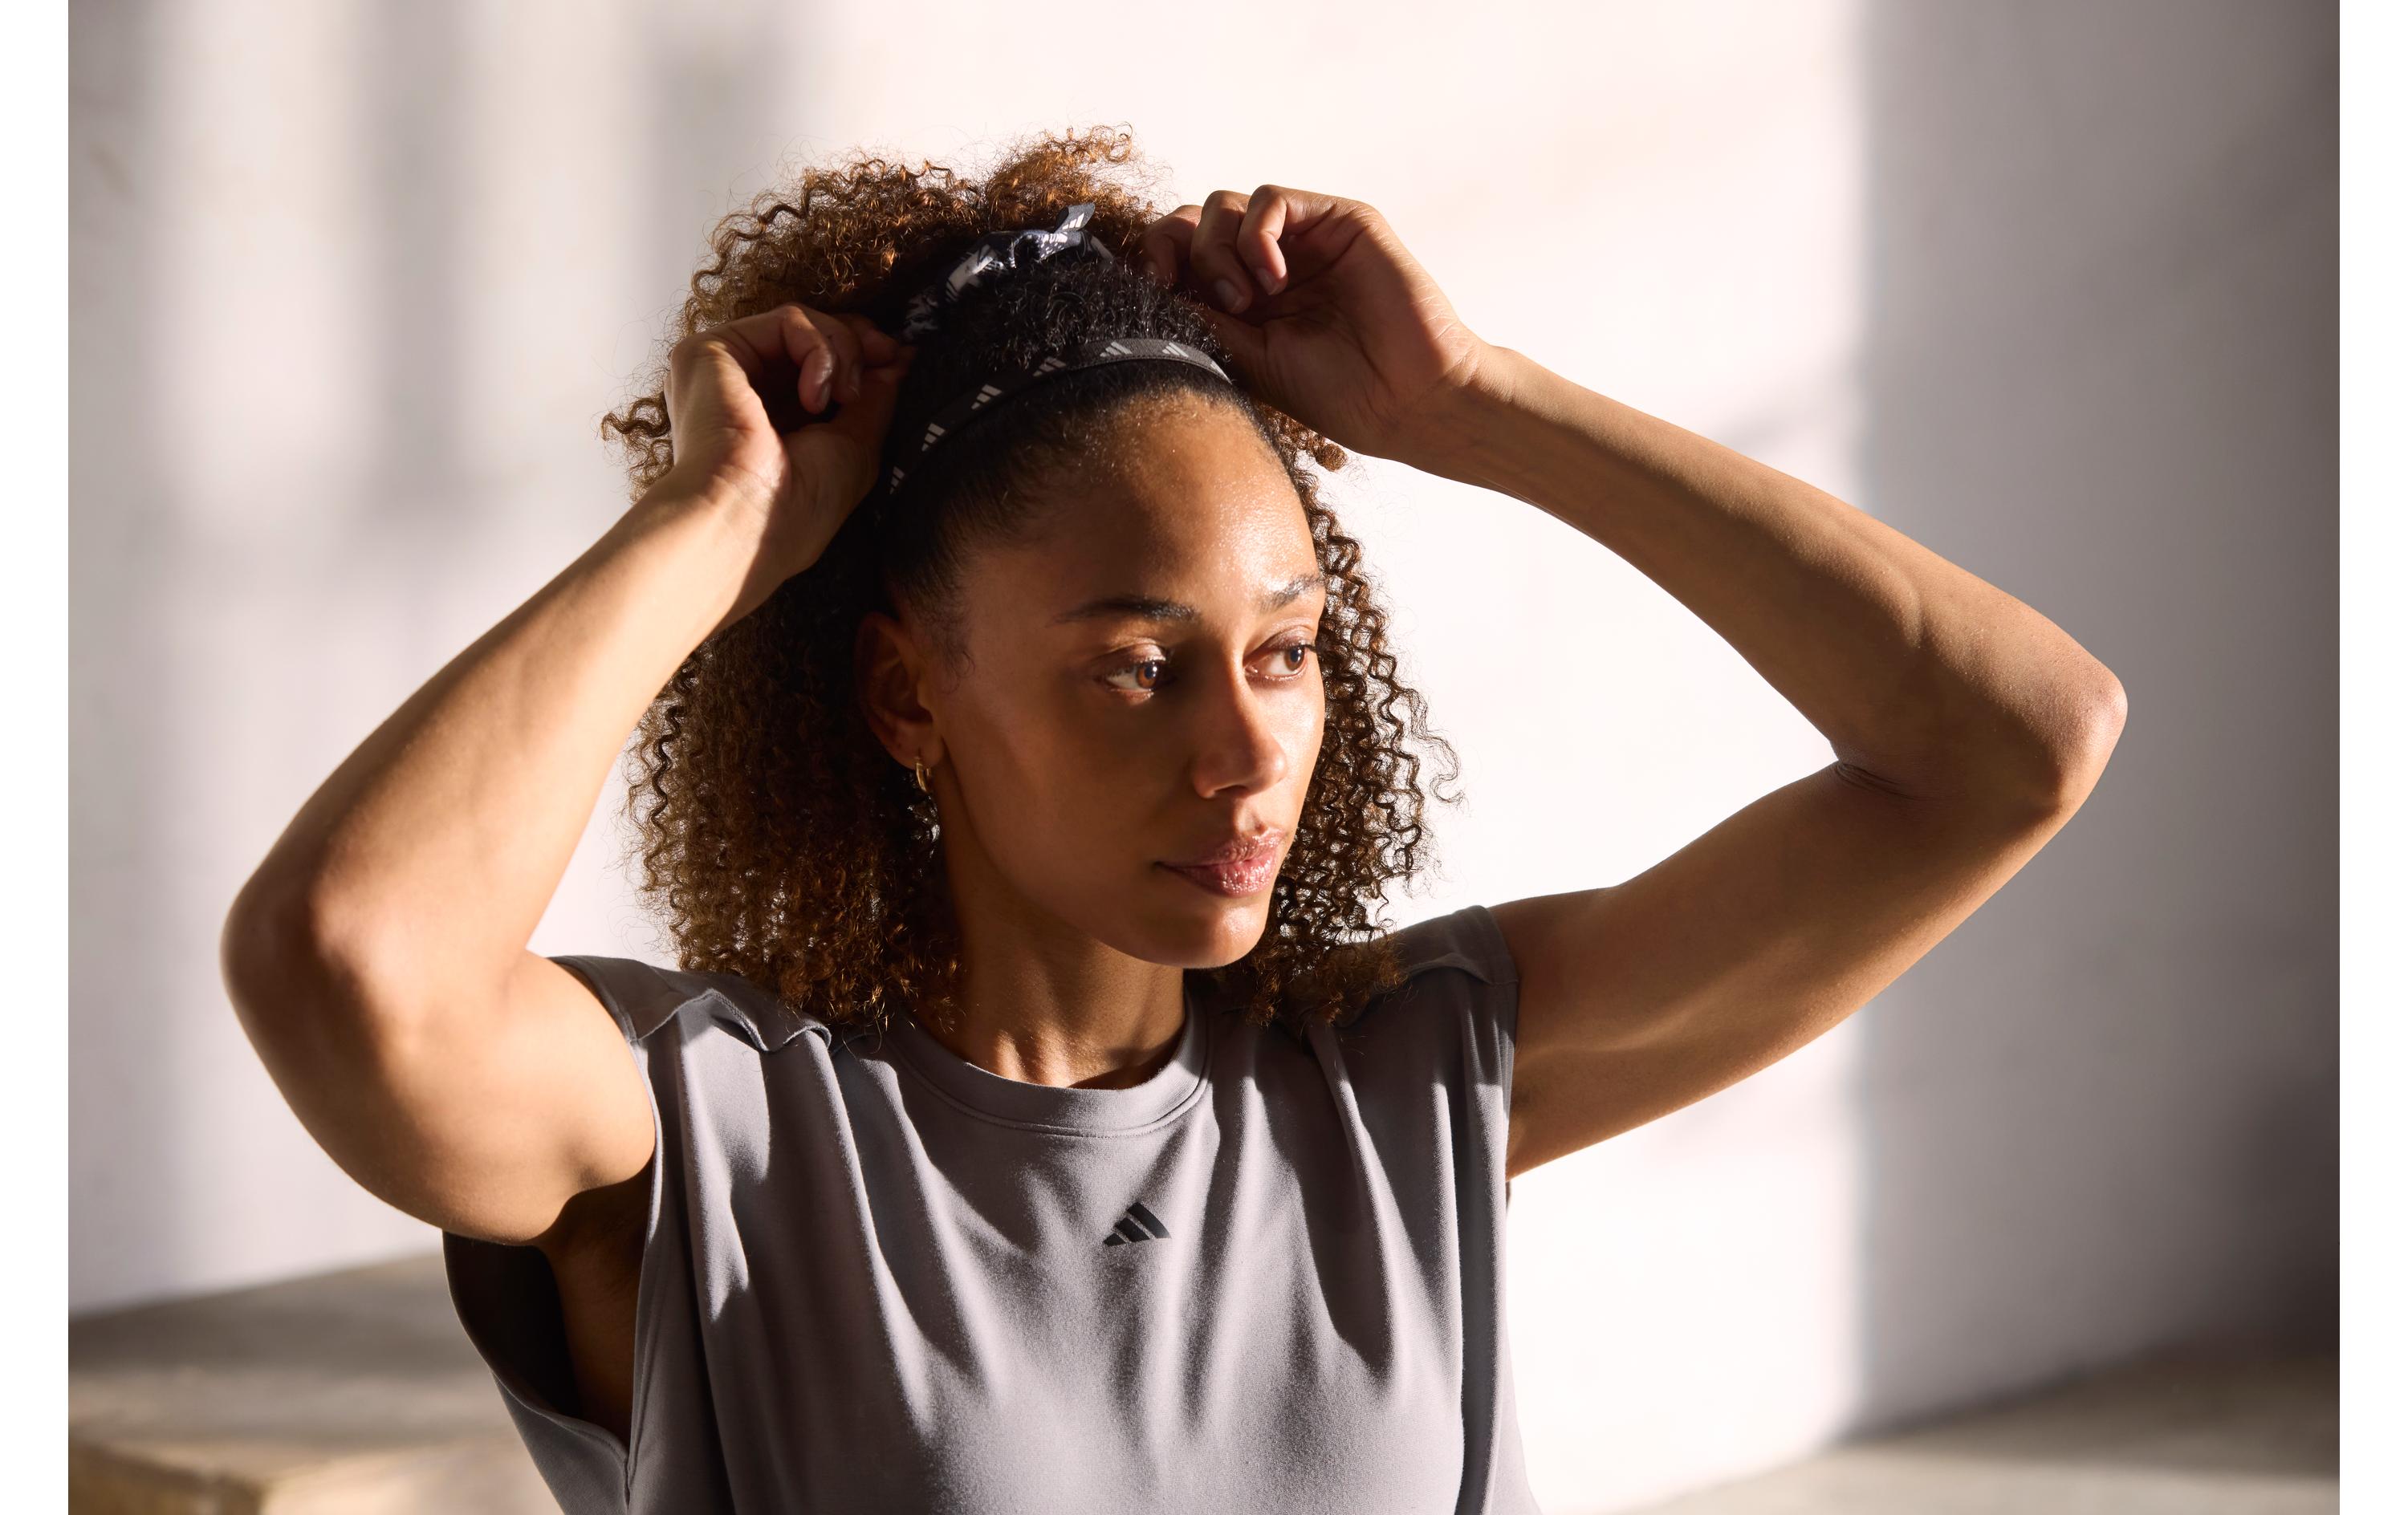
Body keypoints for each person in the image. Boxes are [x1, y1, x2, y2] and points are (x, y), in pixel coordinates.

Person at [221, 125, 2126, 1513]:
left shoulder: (1400, 1083)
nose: (1244, 750)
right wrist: (711, 533)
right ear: (908, 694)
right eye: (1139, 664)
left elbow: (2018, 742)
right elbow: (347, 959)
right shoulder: (717, 1137)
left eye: (1286, 653)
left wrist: (1479, 405)